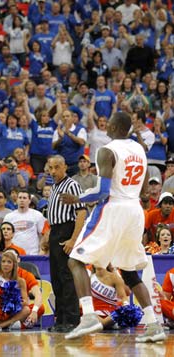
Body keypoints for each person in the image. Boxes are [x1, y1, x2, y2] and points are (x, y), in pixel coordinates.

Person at [60, 111, 166, 342]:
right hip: (135, 210)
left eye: (108, 123)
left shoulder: (107, 150)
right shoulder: (139, 148)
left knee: (75, 260)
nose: (105, 126)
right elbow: (145, 186)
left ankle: (88, 317)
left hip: (114, 208)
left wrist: (76, 199)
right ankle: (153, 325)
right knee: (129, 272)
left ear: (116, 127)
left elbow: (101, 192)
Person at [46, 155, 87, 333]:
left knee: (67, 278)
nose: (53, 171)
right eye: (50, 168)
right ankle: (61, 320)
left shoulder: (72, 185)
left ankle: (72, 320)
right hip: (55, 232)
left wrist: (73, 239)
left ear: (64, 167)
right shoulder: (54, 187)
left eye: (56, 167)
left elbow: (81, 213)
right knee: (56, 279)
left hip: (67, 230)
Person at [0, 250, 30, 330]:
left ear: (14, 265)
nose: (5, 264)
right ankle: (8, 325)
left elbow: (25, 301)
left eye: (9, 262)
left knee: (26, 310)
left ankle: (0, 325)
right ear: (0, 264)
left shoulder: (20, 281)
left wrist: (15, 303)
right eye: (3, 261)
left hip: (13, 312)